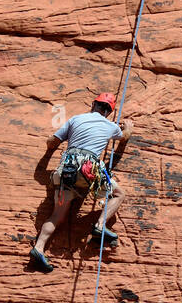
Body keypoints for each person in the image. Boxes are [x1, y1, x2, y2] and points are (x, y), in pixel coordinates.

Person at [30, 92, 133, 272]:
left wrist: (49, 148)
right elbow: (125, 136)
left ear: (94, 104)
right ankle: (100, 226)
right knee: (119, 194)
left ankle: (38, 248)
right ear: (108, 112)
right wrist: (128, 127)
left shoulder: (75, 119)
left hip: (67, 171)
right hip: (88, 171)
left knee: (57, 215)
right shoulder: (110, 126)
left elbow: (52, 142)